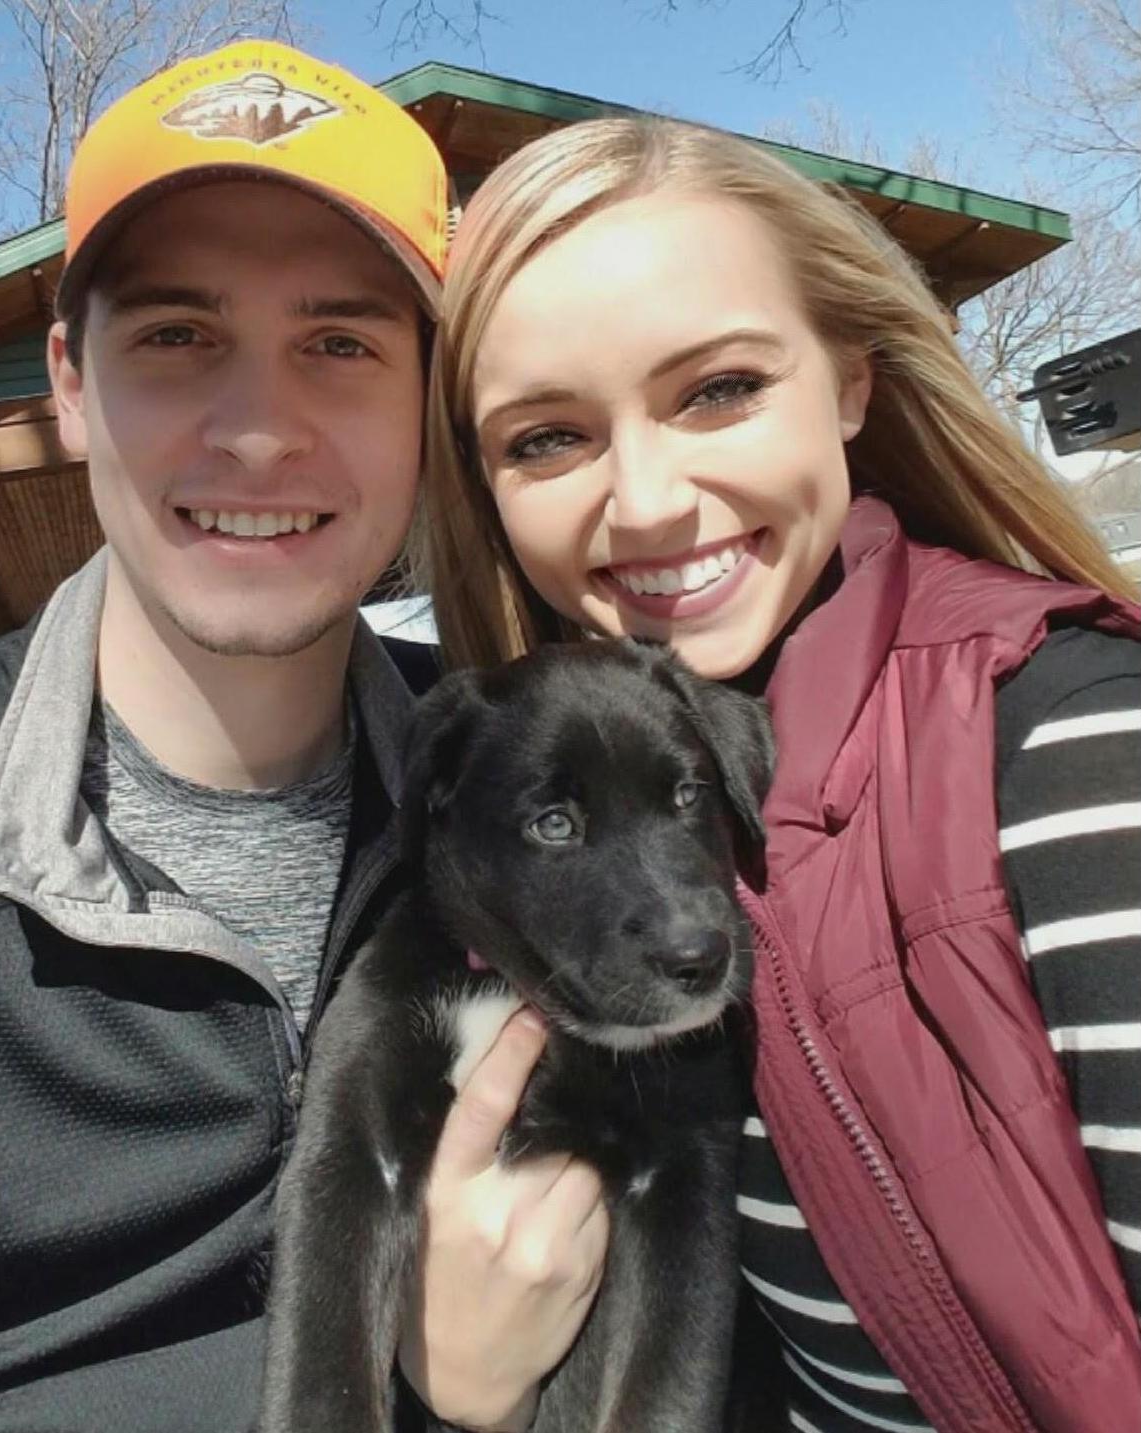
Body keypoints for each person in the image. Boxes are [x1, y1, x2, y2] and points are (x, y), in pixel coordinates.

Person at [0, 36, 524, 1432]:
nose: (258, 432)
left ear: (425, 404)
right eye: (177, 337)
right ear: (71, 385)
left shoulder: (523, 785)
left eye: (340, 344)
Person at [411, 115, 1141, 1432]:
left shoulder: (1071, 750)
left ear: (850, 382)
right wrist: (467, 1386)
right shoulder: (518, 814)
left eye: (717, 389)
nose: (646, 500)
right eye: (546, 438)